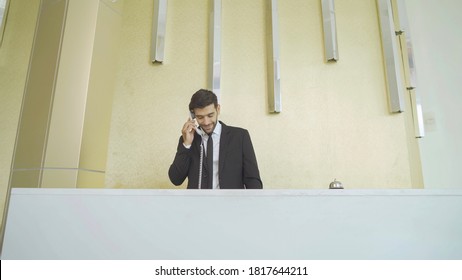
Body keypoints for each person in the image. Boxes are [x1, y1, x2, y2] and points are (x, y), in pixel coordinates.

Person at [168, 89, 263, 189]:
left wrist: (252, 203)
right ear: (193, 116)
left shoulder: (240, 136)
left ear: (218, 109)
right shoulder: (188, 139)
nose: (206, 122)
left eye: (210, 115)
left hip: (231, 203)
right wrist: (186, 145)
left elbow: (253, 180)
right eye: (200, 117)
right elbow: (176, 179)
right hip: (197, 203)